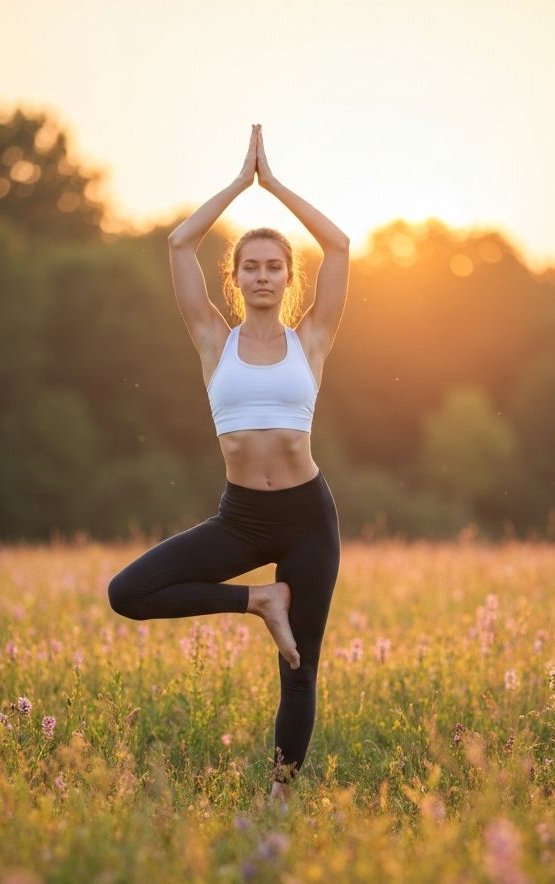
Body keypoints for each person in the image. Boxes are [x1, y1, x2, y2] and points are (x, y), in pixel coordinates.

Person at [108, 124, 350, 804]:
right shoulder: (214, 338)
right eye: (252, 266)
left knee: (299, 667)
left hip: (307, 516)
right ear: (236, 278)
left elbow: (339, 245)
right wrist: (238, 186)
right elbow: (179, 242)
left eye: (276, 266)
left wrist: (274, 186)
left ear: (288, 277)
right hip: (241, 518)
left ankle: (278, 798)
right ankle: (257, 601)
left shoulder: (315, 339)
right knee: (127, 594)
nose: (265, 275)